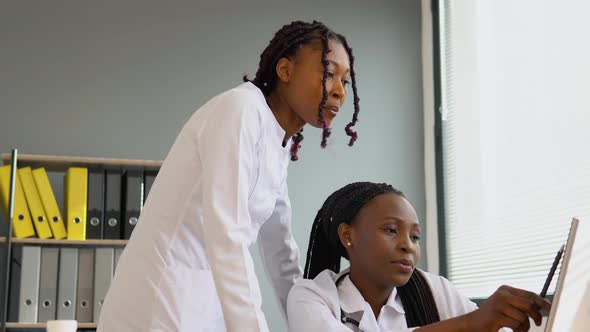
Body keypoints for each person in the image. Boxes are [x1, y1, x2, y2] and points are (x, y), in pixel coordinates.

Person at [97, 20, 360, 332]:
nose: (340, 92)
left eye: (346, 81)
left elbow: (280, 252)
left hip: (204, 301)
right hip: (161, 299)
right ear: (286, 71)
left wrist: (308, 322)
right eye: (329, 74)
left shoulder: (277, 141)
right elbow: (228, 232)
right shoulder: (240, 110)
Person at [288, 182, 551, 332]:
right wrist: (474, 322)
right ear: (348, 235)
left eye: (415, 237)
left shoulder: (435, 291)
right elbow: (474, 325)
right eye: (391, 230)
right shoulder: (311, 296)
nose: (408, 246)